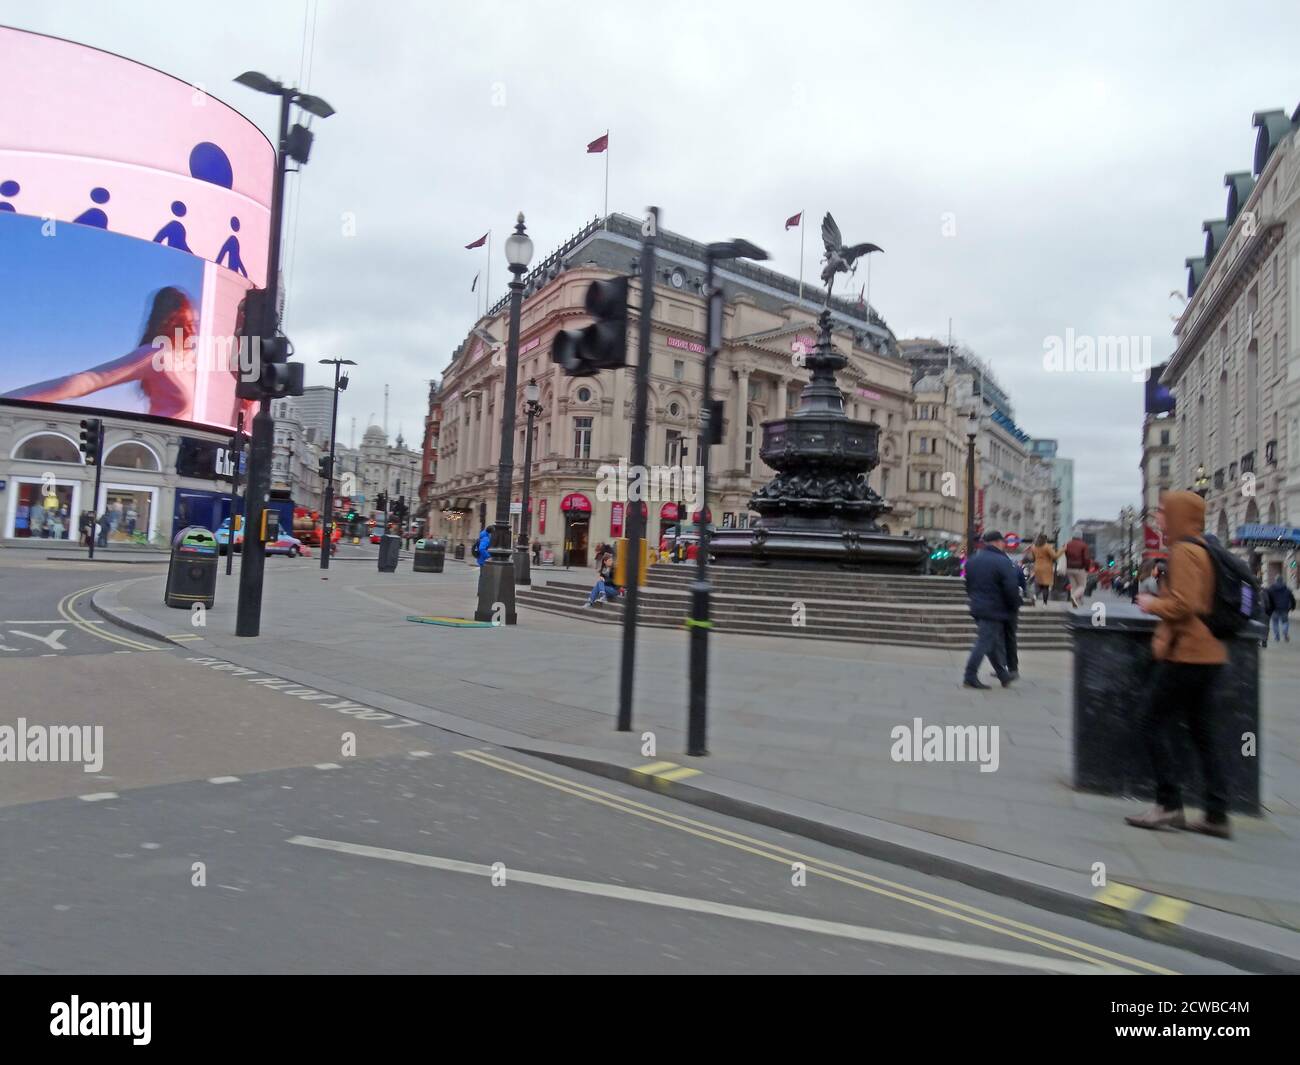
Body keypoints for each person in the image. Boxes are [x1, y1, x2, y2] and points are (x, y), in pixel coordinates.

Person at [1126, 491, 1231, 839]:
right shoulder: (1202, 547)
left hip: (1187, 653)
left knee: (1149, 721)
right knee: (1203, 733)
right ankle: (1217, 813)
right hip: (1209, 654)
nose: (1158, 517)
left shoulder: (1184, 551)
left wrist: (1150, 603)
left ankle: (1168, 804)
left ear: (1179, 515)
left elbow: (1184, 605)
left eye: (1162, 511)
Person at [962, 530, 1020, 689]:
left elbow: (968, 585)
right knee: (984, 642)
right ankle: (970, 675)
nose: (1004, 545)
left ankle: (1003, 675)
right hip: (995, 608)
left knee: (991, 643)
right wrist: (1013, 606)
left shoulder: (973, 560)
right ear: (998, 542)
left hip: (978, 606)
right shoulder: (1003, 561)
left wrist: (976, 599)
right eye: (1003, 542)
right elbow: (1011, 588)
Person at [1263, 575, 1295, 646]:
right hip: (1284, 608)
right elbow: (1292, 598)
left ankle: (1277, 637)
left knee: (1275, 623)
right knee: (1285, 621)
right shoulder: (1287, 589)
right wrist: (1293, 607)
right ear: (1282, 580)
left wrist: (1268, 608)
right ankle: (1285, 632)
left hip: (1274, 609)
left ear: (1276, 580)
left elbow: (1267, 598)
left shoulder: (1271, 589)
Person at [1030, 533, 1061, 606]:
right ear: (1045, 540)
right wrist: (1062, 550)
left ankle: (1034, 596)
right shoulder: (1047, 546)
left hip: (1037, 567)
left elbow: (1033, 558)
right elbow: (1055, 556)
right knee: (1045, 586)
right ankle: (1044, 603)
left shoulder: (1033, 547)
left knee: (1039, 585)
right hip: (1046, 568)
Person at [1063, 533, 1092, 607]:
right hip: (1079, 568)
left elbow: (1064, 555)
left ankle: (1076, 602)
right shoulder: (1083, 545)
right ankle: (1074, 597)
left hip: (1069, 568)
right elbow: (1086, 559)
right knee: (1082, 586)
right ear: (1080, 537)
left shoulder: (1067, 544)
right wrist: (1087, 568)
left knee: (1074, 586)